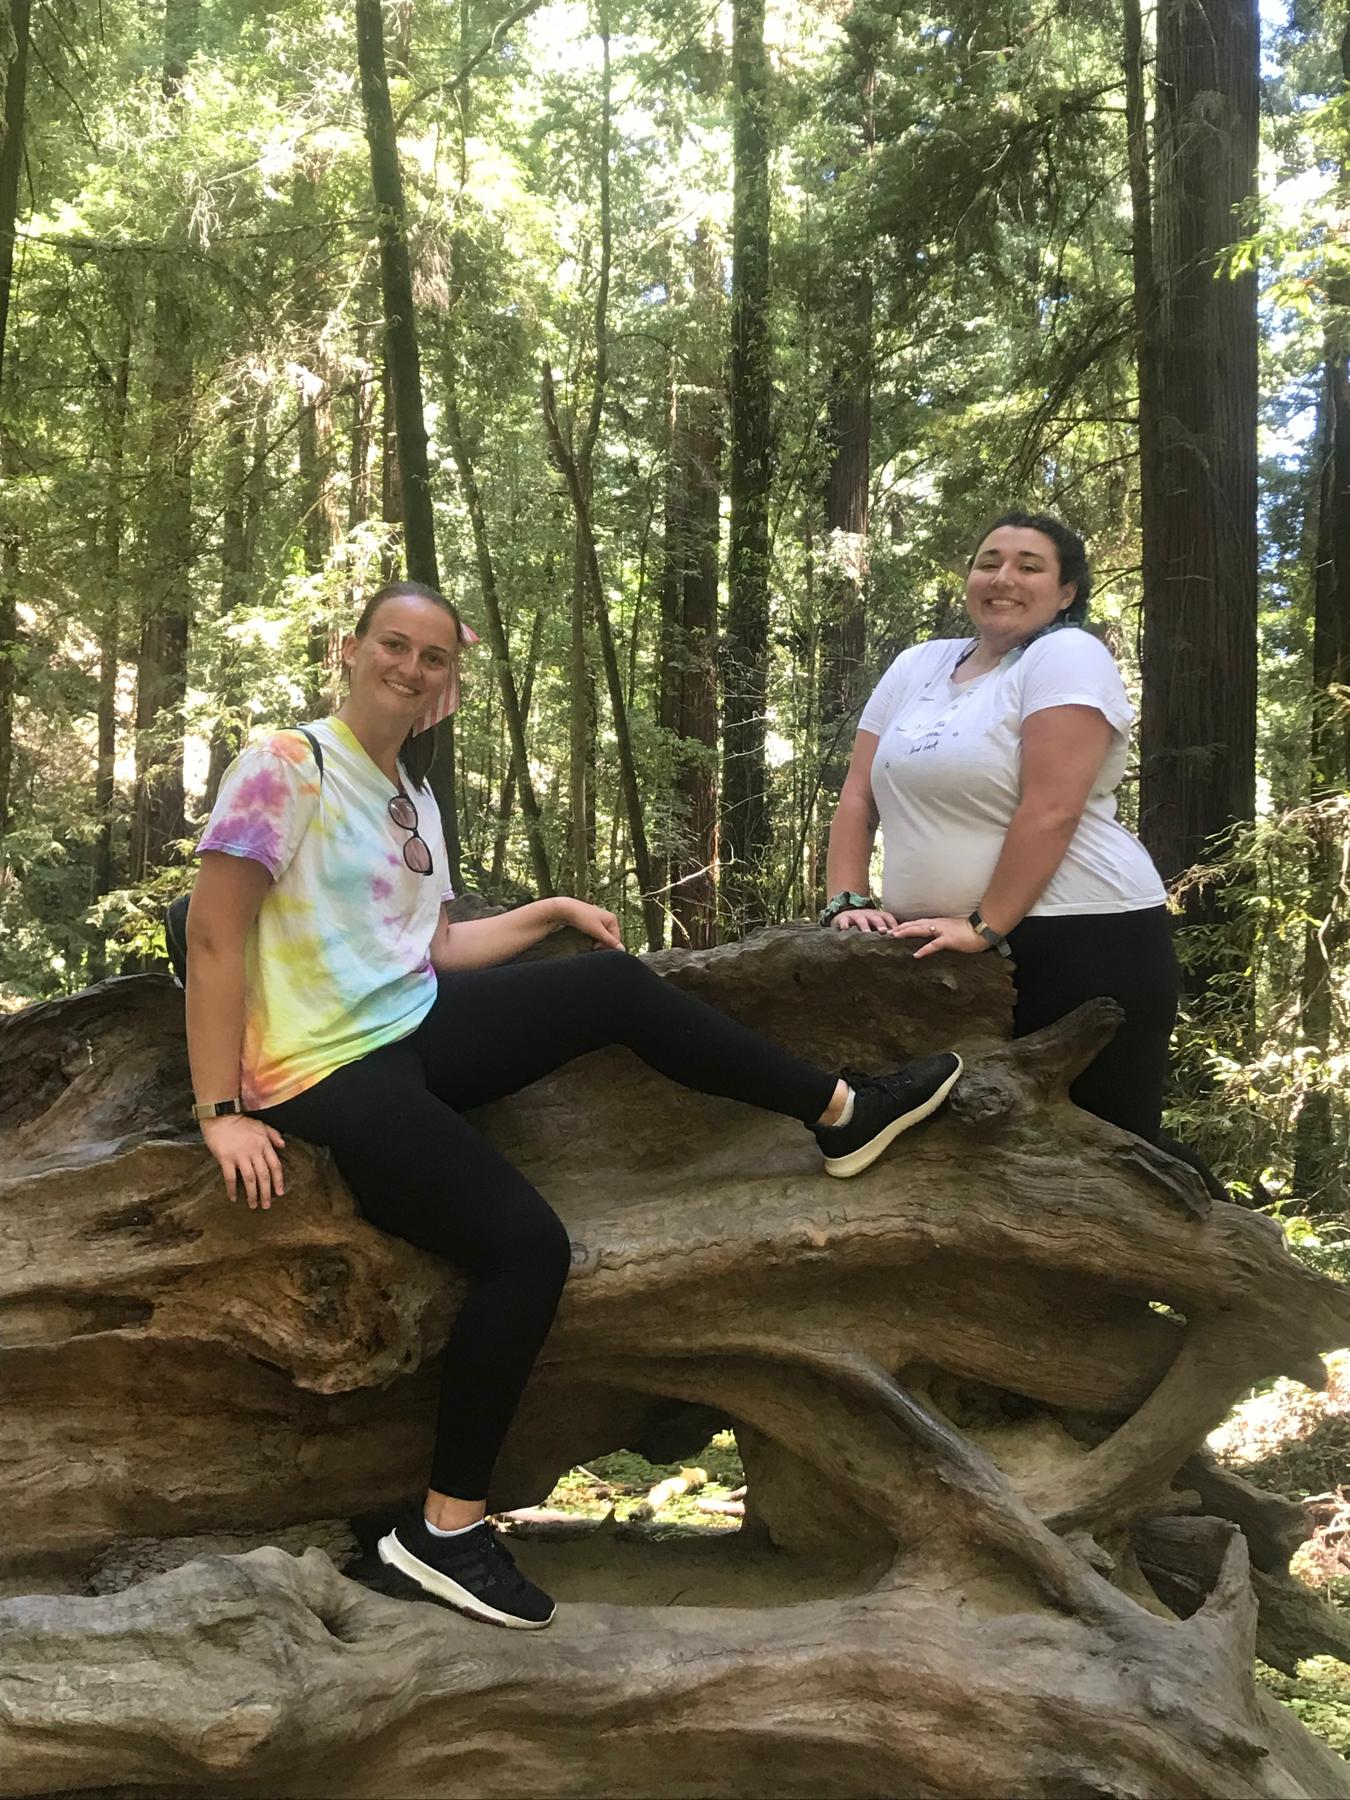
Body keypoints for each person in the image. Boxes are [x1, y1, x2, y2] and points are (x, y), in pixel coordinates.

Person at [185, 579, 961, 1632]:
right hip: (322, 1069)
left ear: (450, 681)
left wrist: (546, 911)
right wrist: (220, 1109)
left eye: (435, 658)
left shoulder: (410, 796)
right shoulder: (287, 764)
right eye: (393, 647)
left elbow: (438, 949)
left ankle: (841, 1114)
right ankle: (444, 1533)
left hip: (412, 1023)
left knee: (612, 986)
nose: (410, 669)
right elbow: (215, 935)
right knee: (525, 1249)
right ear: (349, 649)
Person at [821, 511, 1218, 1189]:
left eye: (1030, 566)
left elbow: (1053, 804)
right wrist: (847, 899)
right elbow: (859, 793)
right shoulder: (918, 664)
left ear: (1066, 592)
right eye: (989, 561)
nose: (1003, 577)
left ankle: (1212, 1265)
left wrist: (985, 925)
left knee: (1101, 1161)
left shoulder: (1066, 656)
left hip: (1085, 941)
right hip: (939, 958)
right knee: (968, 1164)